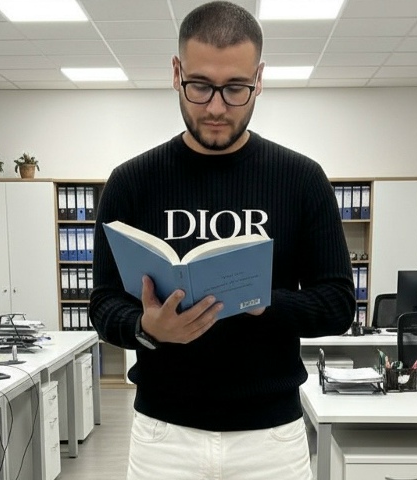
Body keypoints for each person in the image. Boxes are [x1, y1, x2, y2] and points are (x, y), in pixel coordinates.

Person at [89, 2, 355, 479]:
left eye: (235, 88)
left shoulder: (301, 179)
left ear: (259, 79)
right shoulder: (130, 182)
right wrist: (147, 327)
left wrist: (262, 302)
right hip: (164, 437)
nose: (215, 107)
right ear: (176, 73)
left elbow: (338, 304)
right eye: (200, 86)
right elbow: (104, 304)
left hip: (271, 439)